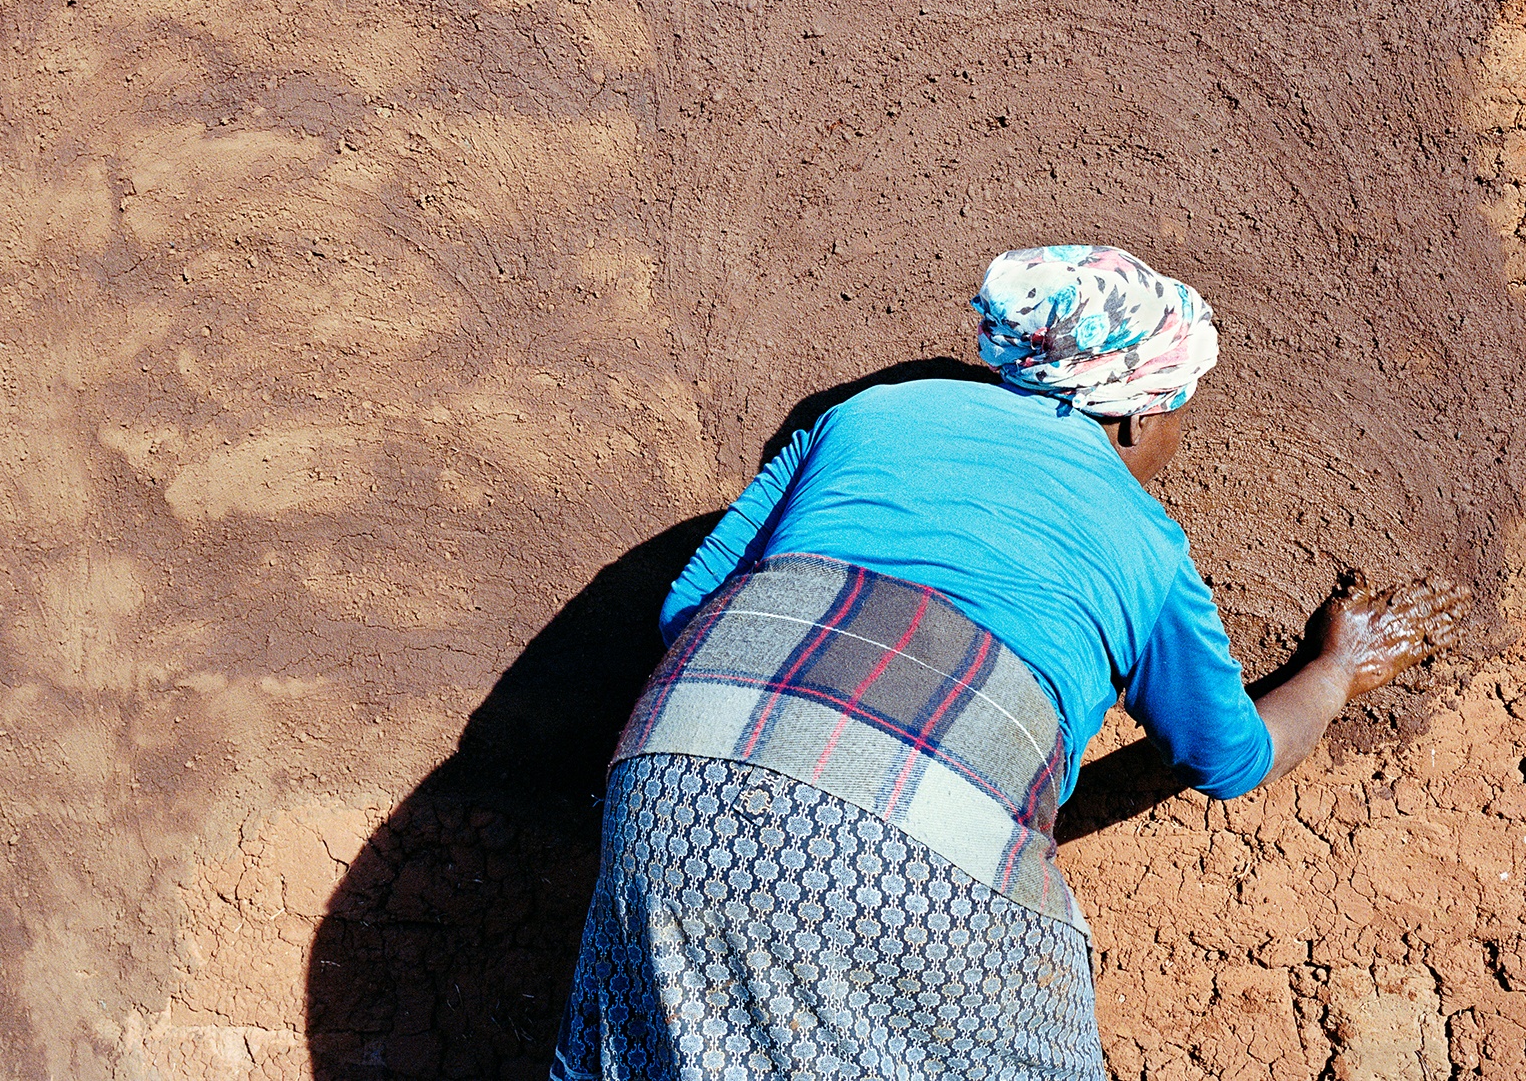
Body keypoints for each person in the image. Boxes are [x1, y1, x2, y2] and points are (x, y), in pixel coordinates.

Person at [551, 245, 1468, 1080]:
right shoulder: (1146, 547)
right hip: (900, 857)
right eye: (1178, 412)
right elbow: (1228, 759)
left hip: (677, 779)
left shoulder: (863, 416)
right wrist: (1338, 671)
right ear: (1135, 417)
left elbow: (687, 610)